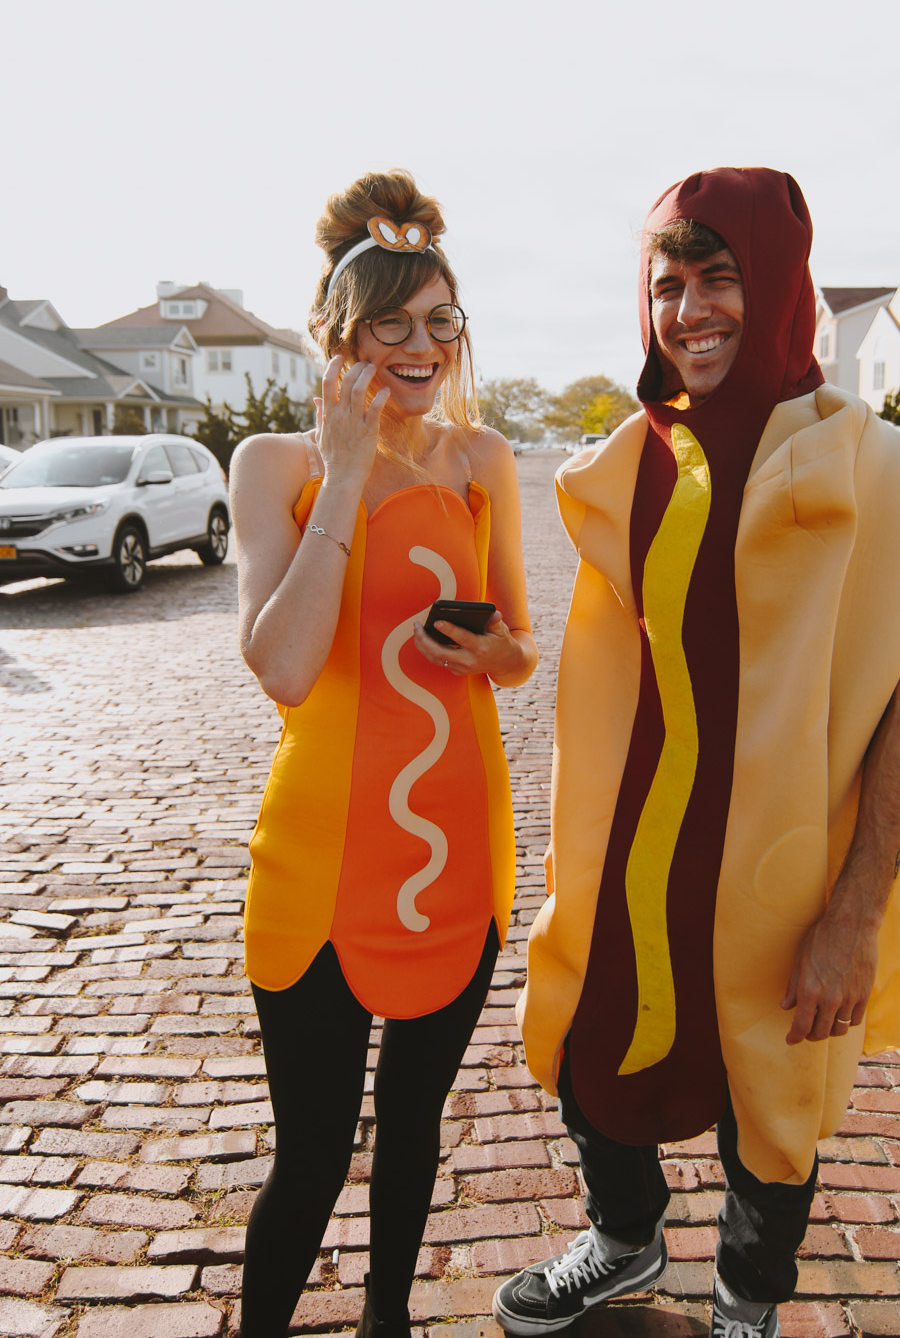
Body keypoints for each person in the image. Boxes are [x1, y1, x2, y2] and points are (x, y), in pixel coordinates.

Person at [493, 167, 900, 1338]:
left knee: (778, 1085)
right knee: (590, 1033)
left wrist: (855, 912)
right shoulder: (629, 463)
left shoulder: (880, 470)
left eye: (720, 278)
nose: (690, 309)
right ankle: (621, 1240)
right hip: (636, 849)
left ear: (780, 285)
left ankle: (747, 1304)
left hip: (787, 858)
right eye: (668, 284)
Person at [231, 169, 538, 1338]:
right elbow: (287, 667)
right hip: (317, 864)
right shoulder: (277, 466)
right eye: (388, 324)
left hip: (460, 853)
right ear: (333, 335)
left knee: (415, 1132)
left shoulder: (485, 461)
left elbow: (517, 650)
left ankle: (387, 1322)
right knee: (309, 1156)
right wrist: (349, 470)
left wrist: (487, 653)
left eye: (439, 322)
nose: (419, 346)